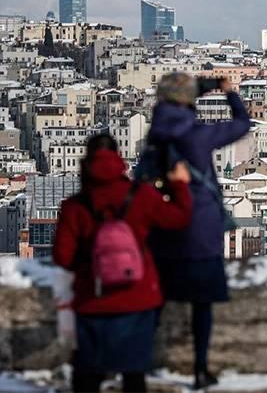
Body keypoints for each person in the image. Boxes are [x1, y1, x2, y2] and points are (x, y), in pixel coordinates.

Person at [53, 134, 192, 393]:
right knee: (133, 373)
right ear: (119, 158)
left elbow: (62, 257)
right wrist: (180, 186)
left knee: (88, 375)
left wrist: (91, 267)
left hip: (92, 300)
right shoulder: (141, 195)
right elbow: (178, 219)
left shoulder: (75, 206)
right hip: (137, 297)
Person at [146, 72, 250, 390]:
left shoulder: (155, 134)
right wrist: (227, 93)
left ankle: (140, 362)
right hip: (200, 230)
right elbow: (242, 124)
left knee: (154, 302)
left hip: (163, 228)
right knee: (201, 305)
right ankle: (200, 370)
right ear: (190, 99)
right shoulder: (197, 134)